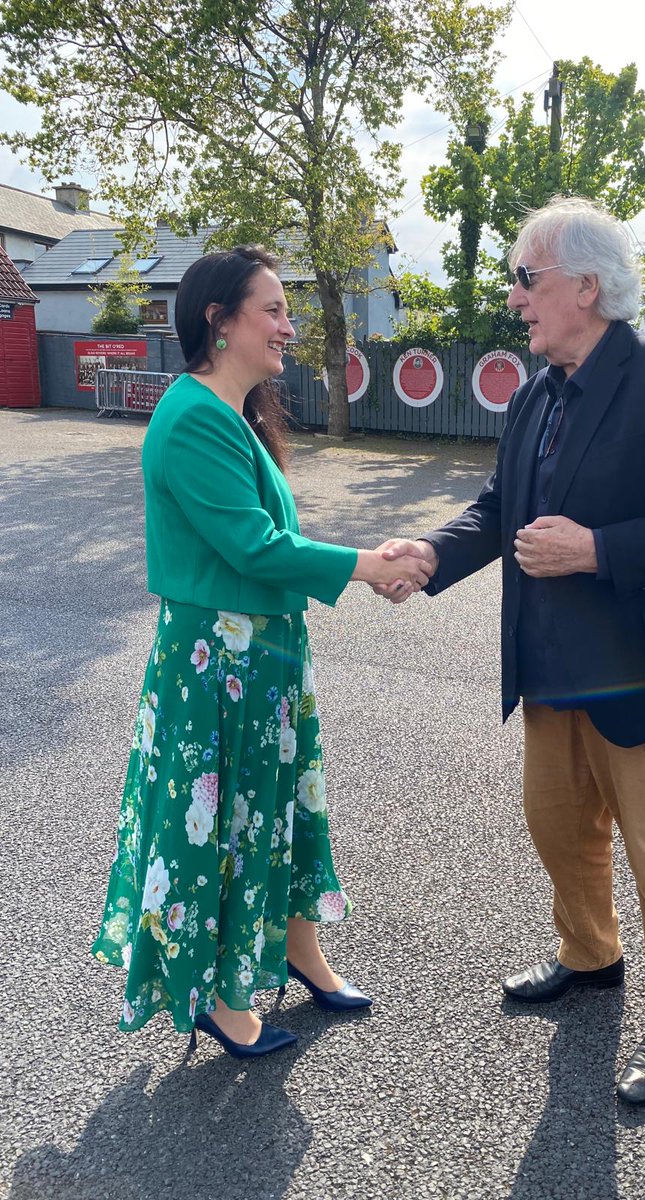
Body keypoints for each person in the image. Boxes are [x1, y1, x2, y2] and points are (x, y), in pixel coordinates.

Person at [377, 197, 645, 1103]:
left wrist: (598, 549)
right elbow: (497, 505)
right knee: (562, 834)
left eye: (526, 278)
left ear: (586, 287)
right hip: (555, 673)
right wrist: (434, 554)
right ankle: (590, 958)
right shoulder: (537, 389)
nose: (514, 299)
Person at [91, 246, 432, 1058]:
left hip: (261, 660)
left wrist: (359, 566)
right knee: (224, 824)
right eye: (273, 309)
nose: (289, 326)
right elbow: (254, 548)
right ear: (220, 319)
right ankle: (215, 994)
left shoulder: (228, 412)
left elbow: (267, 542)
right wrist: (368, 565)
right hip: (220, 665)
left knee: (280, 810)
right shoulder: (193, 419)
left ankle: (297, 948)